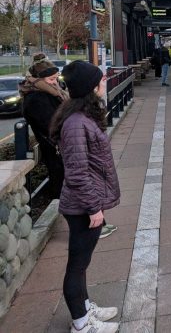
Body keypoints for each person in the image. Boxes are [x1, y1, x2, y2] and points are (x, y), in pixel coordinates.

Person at [50, 61, 121, 333]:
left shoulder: (79, 117)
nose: (105, 84)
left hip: (84, 203)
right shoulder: (77, 123)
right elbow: (78, 173)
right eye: (101, 81)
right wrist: (94, 209)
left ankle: (85, 307)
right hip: (82, 206)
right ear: (92, 88)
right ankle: (81, 323)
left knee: (81, 264)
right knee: (77, 266)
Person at [19, 53, 69, 199]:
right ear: (39, 80)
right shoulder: (36, 99)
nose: (55, 82)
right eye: (51, 79)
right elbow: (52, 125)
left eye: (56, 78)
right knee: (61, 184)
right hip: (55, 150)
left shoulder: (52, 93)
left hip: (57, 149)